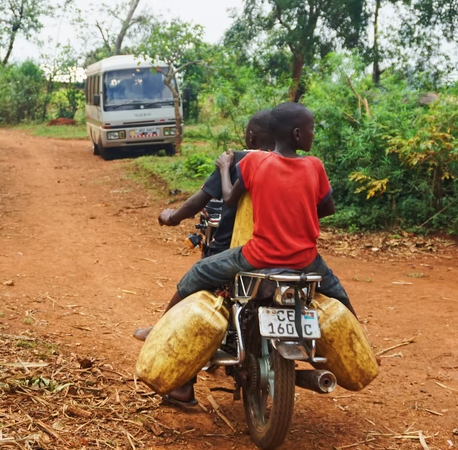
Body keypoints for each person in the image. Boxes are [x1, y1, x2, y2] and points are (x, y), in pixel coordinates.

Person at [144, 102, 355, 406]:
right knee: (338, 296)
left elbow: (226, 199)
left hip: (257, 256)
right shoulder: (315, 166)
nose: (312, 134)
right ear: (297, 134)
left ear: (252, 137)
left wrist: (225, 168)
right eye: (311, 129)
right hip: (305, 259)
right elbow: (327, 208)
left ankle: (165, 345)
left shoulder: (251, 164)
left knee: (197, 278)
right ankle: (355, 344)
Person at [133, 109, 274, 342]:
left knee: (196, 279)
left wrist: (172, 217)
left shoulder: (239, 160)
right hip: (284, 250)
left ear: (250, 136)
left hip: (236, 249)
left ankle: (160, 330)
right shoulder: (295, 163)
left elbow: (198, 201)